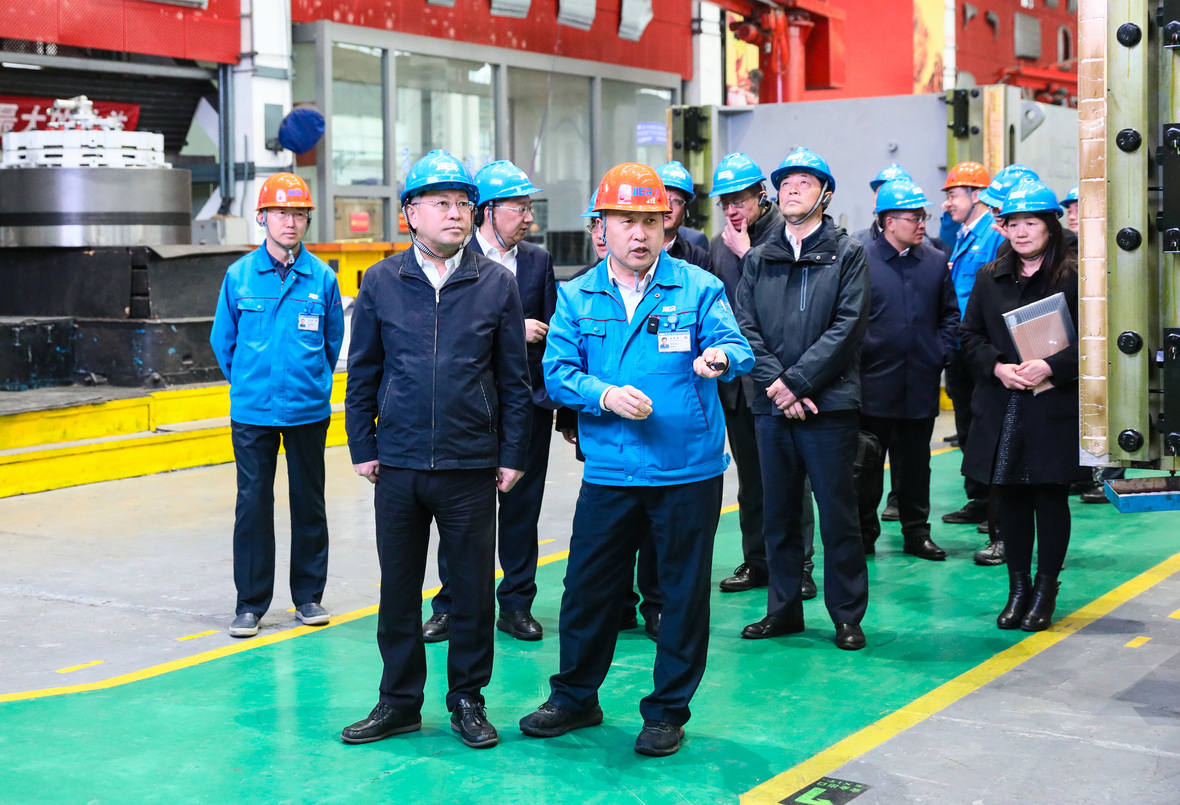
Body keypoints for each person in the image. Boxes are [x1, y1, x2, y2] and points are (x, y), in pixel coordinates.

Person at [519, 162, 753, 758]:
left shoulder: (698, 288)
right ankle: (575, 697)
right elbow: (557, 373)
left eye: (650, 220)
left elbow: (737, 346)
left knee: (681, 595)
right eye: (626, 221)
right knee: (586, 589)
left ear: (666, 224)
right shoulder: (577, 296)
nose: (639, 233)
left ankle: (668, 711)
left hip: (686, 468)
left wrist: (719, 359)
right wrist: (603, 395)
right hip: (611, 470)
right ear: (602, 227)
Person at [341, 150, 533, 749]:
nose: (456, 213)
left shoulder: (496, 283)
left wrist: (513, 453)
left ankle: (468, 699)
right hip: (397, 463)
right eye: (442, 202)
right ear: (411, 213)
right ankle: (398, 701)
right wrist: (362, 444)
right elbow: (363, 372)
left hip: (469, 464)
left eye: (463, 203)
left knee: (472, 593)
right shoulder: (380, 281)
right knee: (398, 591)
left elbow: (514, 379)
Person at [736, 147, 870, 651]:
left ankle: (846, 615)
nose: (792, 189)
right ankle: (784, 609)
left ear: (825, 195)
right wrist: (777, 385)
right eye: (786, 183)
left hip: (828, 407)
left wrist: (799, 383)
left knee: (838, 516)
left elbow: (848, 326)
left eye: (805, 182)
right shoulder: (759, 257)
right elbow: (743, 326)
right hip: (772, 407)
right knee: (779, 514)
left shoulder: (847, 253)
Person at [423, 160, 557, 644]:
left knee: (522, 510)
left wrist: (560, 407)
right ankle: (451, 604)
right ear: (488, 211)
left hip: (527, 404)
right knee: (459, 514)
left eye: (529, 208)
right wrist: (514, 328)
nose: (528, 218)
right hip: (471, 409)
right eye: (519, 208)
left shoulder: (538, 261)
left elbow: (556, 336)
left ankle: (516, 604)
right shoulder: (453, 258)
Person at [210, 173, 345, 639]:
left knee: (309, 501)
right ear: (262, 218)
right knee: (252, 504)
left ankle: (308, 596)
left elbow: (332, 342)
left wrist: (311, 380)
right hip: (253, 411)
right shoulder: (239, 276)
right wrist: (251, 381)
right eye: (281, 213)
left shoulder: (322, 277)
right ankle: (250, 604)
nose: (290, 222)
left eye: (299, 214)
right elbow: (224, 342)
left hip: (307, 408)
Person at [958, 178, 1086, 632]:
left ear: (1050, 225)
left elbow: (1095, 342)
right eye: (1013, 223)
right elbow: (969, 335)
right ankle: (1018, 589)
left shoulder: (1075, 277)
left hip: (1052, 404)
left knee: (1049, 498)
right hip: (1003, 404)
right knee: (1009, 498)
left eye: (1031, 222)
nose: (1022, 232)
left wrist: (1050, 366)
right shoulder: (989, 277)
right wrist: (997, 367)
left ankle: (1046, 590)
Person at [706, 153, 818, 599]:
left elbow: (788, 304)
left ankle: (800, 566)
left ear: (761, 195)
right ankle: (757, 561)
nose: (732, 210)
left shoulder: (786, 235)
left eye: (740, 199)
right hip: (737, 387)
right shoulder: (718, 246)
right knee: (751, 483)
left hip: (780, 381)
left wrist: (747, 254)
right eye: (725, 203)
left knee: (791, 480)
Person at [856, 178, 960, 560]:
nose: (921, 224)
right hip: (872, 385)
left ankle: (917, 533)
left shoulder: (933, 262)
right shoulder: (860, 261)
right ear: (888, 222)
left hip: (919, 382)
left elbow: (950, 315)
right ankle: (863, 534)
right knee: (865, 465)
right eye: (913, 217)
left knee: (916, 466)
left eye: (923, 216)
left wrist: (938, 353)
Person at [940, 162, 1007, 564]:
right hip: (961, 346)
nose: (947, 203)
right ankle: (980, 499)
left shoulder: (994, 236)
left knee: (986, 429)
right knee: (967, 427)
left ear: (976, 194)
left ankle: (994, 507)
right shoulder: (965, 235)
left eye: (953, 194)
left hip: (983, 349)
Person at [657, 160, 712, 271]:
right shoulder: (634, 248)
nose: (668, 207)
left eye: (676, 201)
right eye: (662, 199)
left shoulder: (697, 257)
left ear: (685, 209)